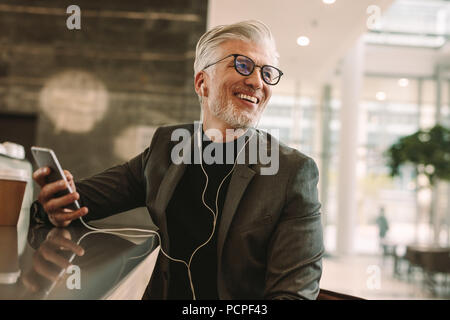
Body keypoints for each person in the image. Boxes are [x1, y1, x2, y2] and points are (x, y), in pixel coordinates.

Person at [32, 20, 324, 300]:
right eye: (243, 65)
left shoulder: (292, 171)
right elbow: (81, 201)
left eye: (267, 72)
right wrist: (55, 204)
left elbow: (293, 295)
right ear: (202, 83)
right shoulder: (168, 146)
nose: (257, 82)